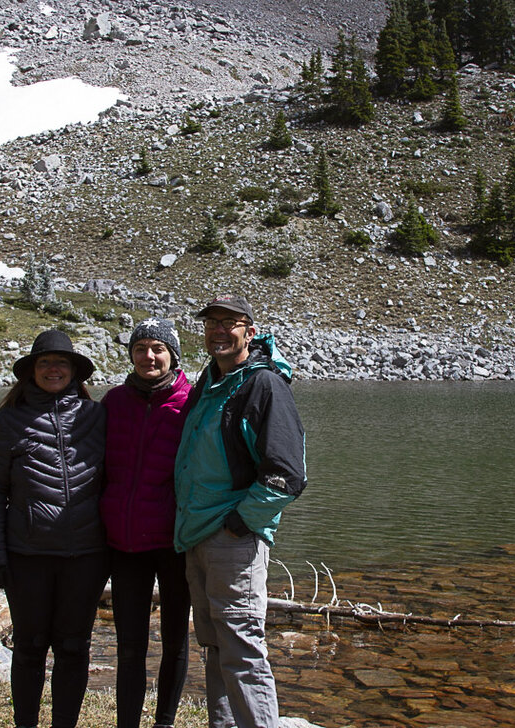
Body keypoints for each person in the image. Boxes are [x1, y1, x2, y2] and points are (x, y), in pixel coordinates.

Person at [173, 294, 307, 728]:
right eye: (211, 323)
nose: (218, 330)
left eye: (229, 323)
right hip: (197, 535)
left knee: (242, 650)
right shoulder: (208, 383)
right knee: (216, 646)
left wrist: (240, 522)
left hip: (234, 539)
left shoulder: (262, 385)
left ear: (250, 331)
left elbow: (287, 474)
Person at [0, 329, 109, 728]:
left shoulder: (97, 416)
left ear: (75, 372)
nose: (54, 369)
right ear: (31, 372)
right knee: (31, 647)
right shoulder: (8, 421)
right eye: (45, 363)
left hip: (87, 555)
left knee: (74, 647)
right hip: (27, 555)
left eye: (61, 363)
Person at [100, 318, 192, 728]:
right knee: (130, 644)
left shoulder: (192, 401)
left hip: (175, 541)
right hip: (125, 542)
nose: (148, 356)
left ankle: (165, 722)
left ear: (172, 355)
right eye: (141, 349)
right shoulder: (114, 402)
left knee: (174, 640)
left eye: (157, 348)